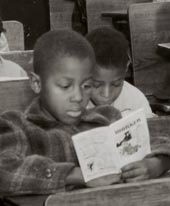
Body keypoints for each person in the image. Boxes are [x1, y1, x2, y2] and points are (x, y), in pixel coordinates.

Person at [0, 29, 169, 194]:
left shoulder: (107, 119)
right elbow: (4, 172)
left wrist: (157, 164)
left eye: (87, 86)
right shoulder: (17, 126)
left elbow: (160, 143)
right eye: (66, 86)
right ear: (37, 83)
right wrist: (79, 175)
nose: (78, 97)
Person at [86, 26, 155, 118]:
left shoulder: (136, 100)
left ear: (126, 68)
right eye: (96, 85)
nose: (106, 95)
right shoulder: (73, 102)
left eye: (116, 84)